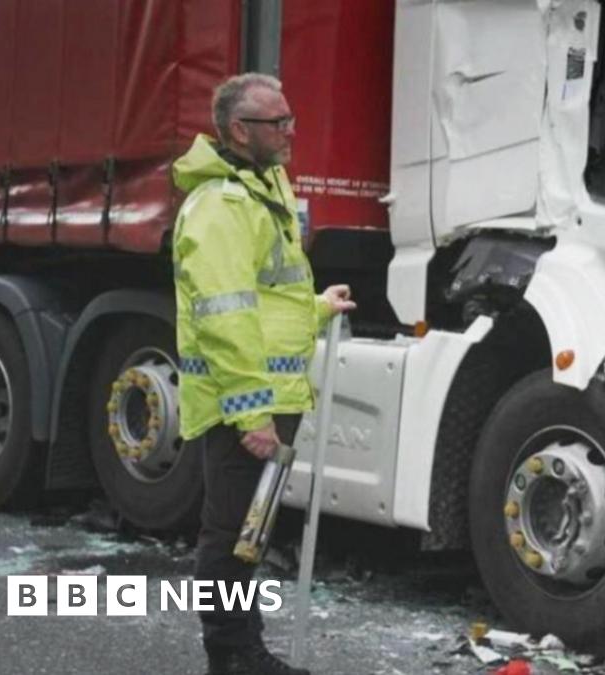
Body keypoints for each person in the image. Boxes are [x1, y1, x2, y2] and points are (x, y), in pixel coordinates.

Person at [171, 73, 355, 675]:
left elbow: (267, 298)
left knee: (250, 533)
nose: (290, 131)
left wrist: (319, 306)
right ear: (238, 130)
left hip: (271, 399)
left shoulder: (258, 188)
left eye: (290, 118)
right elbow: (226, 316)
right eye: (278, 123)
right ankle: (231, 658)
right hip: (245, 408)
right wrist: (251, 418)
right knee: (229, 536)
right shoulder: (221, 205)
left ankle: (243, 653)